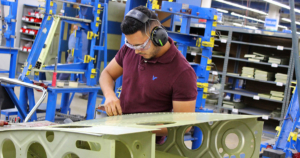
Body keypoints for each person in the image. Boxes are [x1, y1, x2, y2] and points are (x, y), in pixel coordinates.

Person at [99, 6, 197, 139]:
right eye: (131, 45)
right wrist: (110, 95)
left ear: (159, 36)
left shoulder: (182, 72)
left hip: (149, 145)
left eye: (141, 45)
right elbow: (107, 74)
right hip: (119, 133)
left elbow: (184, 125)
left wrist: (134, 126)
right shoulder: (130, 49)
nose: (136, 51)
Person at [59, 24, 89, 99]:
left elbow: (72, 48)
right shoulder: (85, 35)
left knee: (66, 71)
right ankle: (86, 93)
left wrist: (70, 60)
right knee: (83, 75)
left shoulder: (74, 34)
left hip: (75, 58)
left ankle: (58, 86)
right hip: (83, 58)